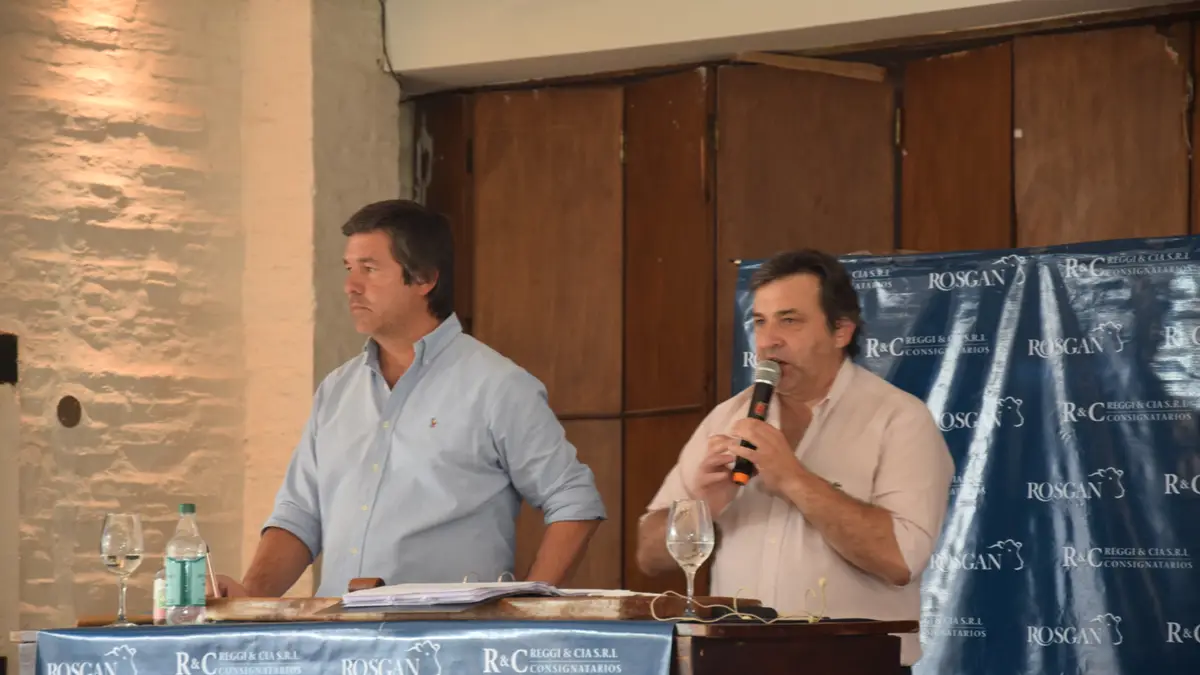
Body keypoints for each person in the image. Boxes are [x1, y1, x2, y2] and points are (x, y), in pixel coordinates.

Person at [214, 199, 606, 598]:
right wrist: (250, 601)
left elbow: (574, 501)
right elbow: (299, 516)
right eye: (349, 269)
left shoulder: (497, 386)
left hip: (446, 634)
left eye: (369, 269)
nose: (351, 286)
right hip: (338, 631)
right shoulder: (336, 390)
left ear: (424, 278)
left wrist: (527, 610)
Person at [636, 249, 953, 672]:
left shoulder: (899, 419)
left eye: (789, 320)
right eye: (759, 322)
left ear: (841, 331)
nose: (768, 340)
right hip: (735, 663)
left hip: (850, 666)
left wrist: (793, 479)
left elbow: (900, 560)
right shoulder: (728, 418)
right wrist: (700, 506)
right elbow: (649, 556)